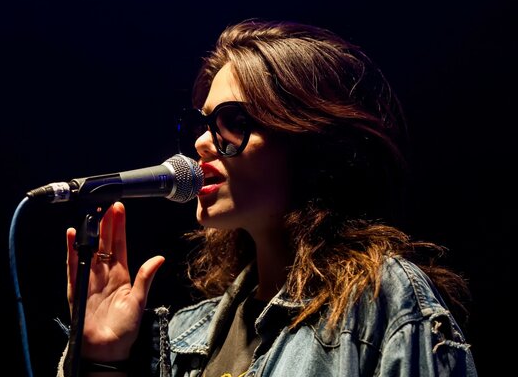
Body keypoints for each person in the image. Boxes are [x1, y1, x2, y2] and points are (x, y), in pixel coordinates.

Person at [56, 19, 477, 376]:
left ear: (308, 142)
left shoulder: (380, 301)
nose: (203, 143)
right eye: (203, 124)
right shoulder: (189, 334)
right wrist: (100, 356)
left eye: (232, 122)